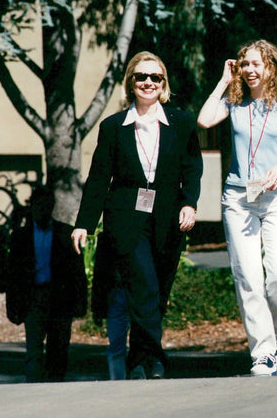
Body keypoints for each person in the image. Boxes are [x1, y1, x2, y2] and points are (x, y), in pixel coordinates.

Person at [71, 51, 203, 380]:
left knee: (157, 290)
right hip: (126, 220)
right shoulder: (114, 127)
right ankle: (155, 359)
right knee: (143, 285)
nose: (148, 83)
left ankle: (139, 358)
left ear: (163, 84)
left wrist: (190, 203)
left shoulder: (182, 123)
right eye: (141, 77)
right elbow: (99, 178)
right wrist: (84, 224)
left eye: (155, 77)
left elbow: (193, 169)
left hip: (168, 220)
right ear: (131, 82)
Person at [197, 39, 277, 376]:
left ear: (271, 66)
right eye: (245, 65)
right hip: (238, 199)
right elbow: (203, 120)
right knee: (248, 277)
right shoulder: (235, 101)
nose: (250, 70)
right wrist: (224, 81)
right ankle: (262, 351)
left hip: (276, 198)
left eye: (256, 64)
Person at [5, 184, 87, 383]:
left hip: (59, 298)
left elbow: (77, 273)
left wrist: (80, 303)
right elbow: (13, 276)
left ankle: (55, 389)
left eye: (46, 206)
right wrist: (13, 308)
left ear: (52, 207)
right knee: (34, 349)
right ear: (31, 207)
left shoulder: (65, 234)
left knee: (58, 349)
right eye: (38, 205)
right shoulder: (20, 238)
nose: (42, 210)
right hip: (33, 297)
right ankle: (33, 389)